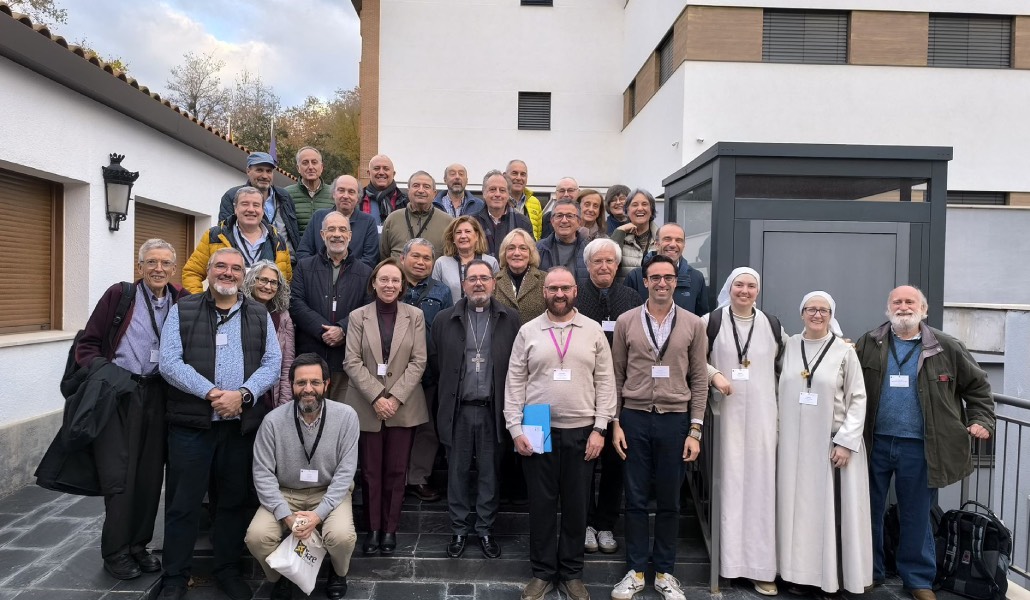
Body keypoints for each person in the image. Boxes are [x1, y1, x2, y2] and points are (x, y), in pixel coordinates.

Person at [855, 285, 995, 600]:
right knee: (867, 511)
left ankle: (917, 579)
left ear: (924, 309)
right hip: (873, 442)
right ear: (887, 308)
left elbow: (978, 388)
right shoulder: (869, 343)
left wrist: (981, 421)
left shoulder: (947, 347)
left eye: (910, 302)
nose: (903, 307)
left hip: (920, 447)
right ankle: (869, 571)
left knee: (917, 513)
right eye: (897, 302)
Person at [158, 247, 282, 600]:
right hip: (192, 427)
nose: (228, 273)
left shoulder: (258, 313)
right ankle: (175, 577)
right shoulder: (183, 310)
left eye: (236, 268)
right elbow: (169, 362)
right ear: (208, 272)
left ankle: (227, 570)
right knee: (183, 504)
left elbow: (273, 363)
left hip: (238, 428)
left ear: (244, 276)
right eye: (221, 267)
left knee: (232, 502)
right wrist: (213, 393)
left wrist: (242, 395)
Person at [64, 240, 186, 579]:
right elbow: (88, 344)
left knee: (149, 475)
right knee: (120, 475)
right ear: (140, 266)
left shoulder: (181, 300)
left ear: (173, 269)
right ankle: (115, 551)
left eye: (165, 263)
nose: (158, 268)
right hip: (121, 393)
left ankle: (138, 546)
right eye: (151, 262)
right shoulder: (119, 296)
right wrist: (106, 375)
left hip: (160, 393)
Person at [504, 267, 616, 600]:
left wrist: (600, 428)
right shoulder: (528, 331)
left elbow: (606, 382)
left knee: (577, 504)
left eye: (565, 288)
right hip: (537, 422)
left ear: (575, 291)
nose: (559, 294)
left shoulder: (593, 330)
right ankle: (541, 573)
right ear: (545, 293)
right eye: (552, 288)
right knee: (541, 504)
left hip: (582, 426)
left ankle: (571, 573)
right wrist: (514, 427)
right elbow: (515, 382)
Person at [609, 255, 708, 600]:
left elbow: (700, 379)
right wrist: (616, 423)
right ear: (646, 281)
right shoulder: (625, 321)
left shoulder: (694, 324)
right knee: (635, 499)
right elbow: (616, 374)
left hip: (674, 422)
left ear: (677, 281)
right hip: (634, 418)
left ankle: (665, 572)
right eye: (655, 278)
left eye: (669, 277)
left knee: (669, 501)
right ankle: (635, 571)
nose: (662, 283)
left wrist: (695, 430)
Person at [777, 292, 872, 598]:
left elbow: (858, 398)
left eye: (823, 310)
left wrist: (846, 442)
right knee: (796, 512)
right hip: (793, 446)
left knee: (827, 513)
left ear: (831, 315)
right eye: (811, 309)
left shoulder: (844, 351)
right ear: (801, 312)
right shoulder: (790, 345)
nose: (817, 315)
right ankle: (795, 574)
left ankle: (828, 577)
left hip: (830, 445)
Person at [245, 353, 359, 600]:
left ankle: (338, 573)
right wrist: (285, 516)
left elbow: (345, 473)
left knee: (341, 536)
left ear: (326, 384)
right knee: (256, 537)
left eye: (315, 382)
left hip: (329, 491)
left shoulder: (347, 416)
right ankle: (280, 576)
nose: (308, 389)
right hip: (286, 492)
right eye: (301, 383)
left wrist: (318, 515)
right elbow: (262, 474)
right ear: (291, 385)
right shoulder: (272, 421)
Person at [432, 260, 521, 559]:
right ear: (464, 283)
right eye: (473, 279)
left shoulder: (512, 319)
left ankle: (485, 529)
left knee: (489, 474)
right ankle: (458, 529)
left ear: (494, 283)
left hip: (492, 411)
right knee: (456, 473)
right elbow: (437, 363)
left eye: (484, 278)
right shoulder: (445, 319)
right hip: (458, 409)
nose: (479, 284)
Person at [703, 267, 783, 595]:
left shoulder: (772, 325)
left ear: (758, 291)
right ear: (729, 287)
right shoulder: (711, 321)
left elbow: (794, 362)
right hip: (728, 417)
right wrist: (713, 375)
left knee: (762, 491)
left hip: (764, 419)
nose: (745, 291)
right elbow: (693, 358)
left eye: (751, 286)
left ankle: (761, 567)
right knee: (730, 487)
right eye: (739, 285)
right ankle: (729, 564)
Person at [342, 258, 428, 557]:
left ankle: (390, 529)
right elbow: (351, 361)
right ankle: (373, 529)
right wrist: (378, 397)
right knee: (369, 472)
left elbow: (419, 361)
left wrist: (394, 398)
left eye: (395, 280)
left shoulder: (414, 316)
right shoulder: (357, 316)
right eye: (384, 279)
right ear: (374, 283)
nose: (389, 285)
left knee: (396, 470)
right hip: (367, 405)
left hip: (403, 406)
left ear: (402, 285)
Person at [574, 238, 642, 556]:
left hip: (621, 393)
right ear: (587, 266)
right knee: (586, 459)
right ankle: (586, 521)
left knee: (616, 461)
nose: (604, 267)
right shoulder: (576, 295)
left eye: (609, 262)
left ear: (618, 265)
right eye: (597, 262)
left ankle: (606, 524)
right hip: (583, 392)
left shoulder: (631, 297)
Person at [290, 212, 373, 403]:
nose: (337, 234)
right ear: (322, 234)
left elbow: (368, 308)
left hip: (346, 359)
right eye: (331, 229)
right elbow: (296, 304)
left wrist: (343, 329)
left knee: (341, 416)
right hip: (311, 357)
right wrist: (324, 331)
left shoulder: (366, 272)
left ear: (350, 236)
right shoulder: (304, 266)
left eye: (343, 229)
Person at [399, 238, 453, 503]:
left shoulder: (442, 292)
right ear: (402, 258)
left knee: (428, 427)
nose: (421, 262)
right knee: (396, 426)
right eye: (416, 256)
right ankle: (395, 476)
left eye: (427, 258)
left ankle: (418, 477)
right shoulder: (390, 283)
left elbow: (446, 332)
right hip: (393, 371)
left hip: (430, 370)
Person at [183, 186, 292, 293]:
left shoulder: (278, 241)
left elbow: (285, 281)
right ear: (235, 208)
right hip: (223, 309)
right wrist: (200, 303)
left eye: (256, 205)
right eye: (245, 204)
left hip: (266, 310)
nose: (251, 209)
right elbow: (192, 273)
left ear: (262, 210)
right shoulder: (215, 236)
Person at [218, 152, 299, 259]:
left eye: (269, 171)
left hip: (287, 263)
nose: (265, 176)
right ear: (248, 171)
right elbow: (224, 232)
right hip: (250, 264)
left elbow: (293, 231)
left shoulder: (284, 196)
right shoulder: (232, 196)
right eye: (259, 170)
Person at [297, 174, 380, 269]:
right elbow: (303, 253)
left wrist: (342, 275)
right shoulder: (318, 218)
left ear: (358, 197)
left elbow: (369, 260)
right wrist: (322, 274)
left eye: (351, 192)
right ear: (333, 193)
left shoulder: (368, 222)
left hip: (355, 280)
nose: (345, 196)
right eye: (341, 190)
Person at [625, 223, 709, 316]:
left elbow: (701, 320)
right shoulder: (635, 277)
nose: (673, 244)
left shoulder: (696, 278)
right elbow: (628, 319)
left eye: (678, 240)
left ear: (684, 246)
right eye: (667, 239)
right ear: (656, 244)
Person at [241, 260, 293, 407]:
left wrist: (284, 404)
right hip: (240, 394)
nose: (268, 287)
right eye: (263, 280)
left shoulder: (283, 316)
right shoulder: (237, 310)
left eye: (273, 282)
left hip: (270, 396)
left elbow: (287, 364)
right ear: (252, 280)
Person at [380, 170, 454, 261]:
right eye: (416, 186)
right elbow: (384, 256)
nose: (421, 190)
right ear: (408, 191)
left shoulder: (448, 222)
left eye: (426, 187)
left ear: (434, 193)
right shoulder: (393, 219)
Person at [433, 216, 500, 304]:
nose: (463, 236)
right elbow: (435, 297)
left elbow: (497, 295)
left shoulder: (491, 262)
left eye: (468, 231)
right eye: (458, 232)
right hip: (450, 316)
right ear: (453, 238)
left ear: (477, 236)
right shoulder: (441, 263)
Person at [494, 229, 547, 326]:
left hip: (535, 339)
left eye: (523, 248)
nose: (517, 253)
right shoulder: (493, 281)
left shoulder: (545, 279)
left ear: (531, 253)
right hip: (504, 340)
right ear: (504, 253)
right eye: (511, 248)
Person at [475, 170, 534, 257]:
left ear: (508, 195)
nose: (497, 194)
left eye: (502, 190)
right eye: (492, 189)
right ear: (484, 193)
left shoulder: (523, 223)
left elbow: (531, 255)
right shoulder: (472, 222)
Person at [610, 189, 659, 284]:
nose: (640, 208)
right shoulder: (619, 236)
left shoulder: (661, 238)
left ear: (651, 210)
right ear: (627, 210)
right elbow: (609, 262)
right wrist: (619, 231)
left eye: (644, 204)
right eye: (635, 205)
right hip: (625, 296)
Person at [284, 147, 334, 236]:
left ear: (321, 167)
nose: (310, 167)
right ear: (298, 168)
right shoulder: (286, 194)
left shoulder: (334, 194)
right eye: (305, 163)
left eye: (314, 162)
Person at [536, 199, 589, 282]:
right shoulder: (538, 249)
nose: (564, 220)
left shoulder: (589, 250)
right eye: (559, 216)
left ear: (579, 221)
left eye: (570, 216)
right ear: (552, 221)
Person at [360, 154, 408, 226]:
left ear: (393, 174)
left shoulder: (406, 202)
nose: (381, 172)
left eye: (386, 169)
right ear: (369, 173)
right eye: (376, 168)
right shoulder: (357, 200)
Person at [506, 159, 543, 240]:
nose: (519, 178)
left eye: (523, 174)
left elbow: (538, 235)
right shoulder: (500, 201)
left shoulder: (535, 203)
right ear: (505, 176)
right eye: (514, 173)